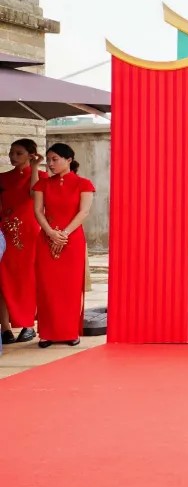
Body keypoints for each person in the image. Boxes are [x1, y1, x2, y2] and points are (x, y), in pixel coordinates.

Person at [33, 143, 95, 348]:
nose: (50, 164)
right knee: (47, 287)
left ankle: (70, 332)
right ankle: (46, 334)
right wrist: (51, 233)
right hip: (46, 239)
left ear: (69, 160)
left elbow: (84, 212)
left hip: (72, 241)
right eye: (49, 160)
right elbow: (38, 211)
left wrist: (64, 234)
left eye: (55, 159)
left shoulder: (83, 184)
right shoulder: (42, 184)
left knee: (70, 287)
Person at [0, 139, 46, 345]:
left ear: (31, 154)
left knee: (28, 278)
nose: (13, 157)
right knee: (3, 279)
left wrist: (34, 168)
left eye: (19, 153)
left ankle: (28, 326)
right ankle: (5, 328)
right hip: (5, 234)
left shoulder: (42, 177)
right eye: (11, 152)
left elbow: (33, 195)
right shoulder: (2, 178)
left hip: (29, 233)